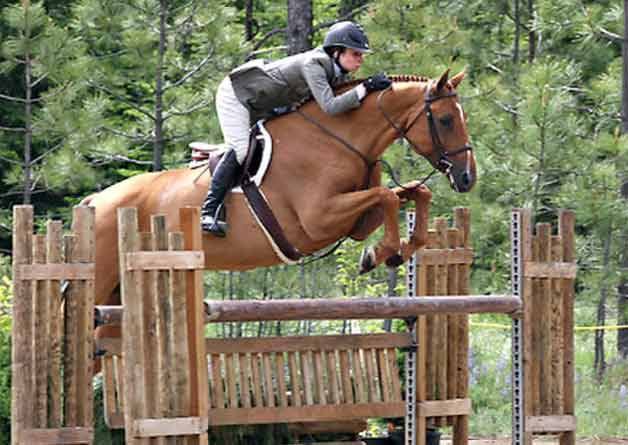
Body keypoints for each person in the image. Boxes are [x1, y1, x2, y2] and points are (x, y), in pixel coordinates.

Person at [201, 21, 392, 236]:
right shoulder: (315, 64)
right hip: (238, 95)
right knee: (240, 150)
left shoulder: (336, 71)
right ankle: (209, 211)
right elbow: (330, 106)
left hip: (265, 103)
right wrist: (365, 87)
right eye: (356, 54)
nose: (361, 59)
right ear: (337, 52)